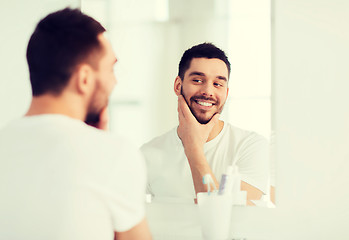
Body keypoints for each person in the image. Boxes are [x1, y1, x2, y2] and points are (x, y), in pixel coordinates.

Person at [0, 8, 152, 240]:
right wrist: (103, 147)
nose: (115, 80)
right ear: (84, 79)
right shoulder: (114, 154)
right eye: (111, 68)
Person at [141, 43, 270, 205]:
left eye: (218, 84)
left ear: (226, 93)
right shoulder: (148, 154)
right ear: (178, 86)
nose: (208, 91)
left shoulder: (250, 146)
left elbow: (233, 221)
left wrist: (193, 148)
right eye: (197, 80)